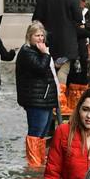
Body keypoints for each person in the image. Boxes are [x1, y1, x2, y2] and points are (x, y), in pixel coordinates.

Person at [16, 21, 58, 168]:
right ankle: (33, 163)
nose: (40, 38)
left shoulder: (36, 51)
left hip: (44, 98)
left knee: (42, 133)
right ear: (29, 36)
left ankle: (39, 161)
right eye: (37, 35)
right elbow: (40, 68)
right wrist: (45, 54)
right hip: (35, 99)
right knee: (36, 131)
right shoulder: (27, 52)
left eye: (42, 35)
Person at [31, 0, 83, 81]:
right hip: (67, 43)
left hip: (48, 41)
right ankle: (60, 96)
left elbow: (36, 19)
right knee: (63, 72)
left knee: (48, 70)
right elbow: (79, 18)